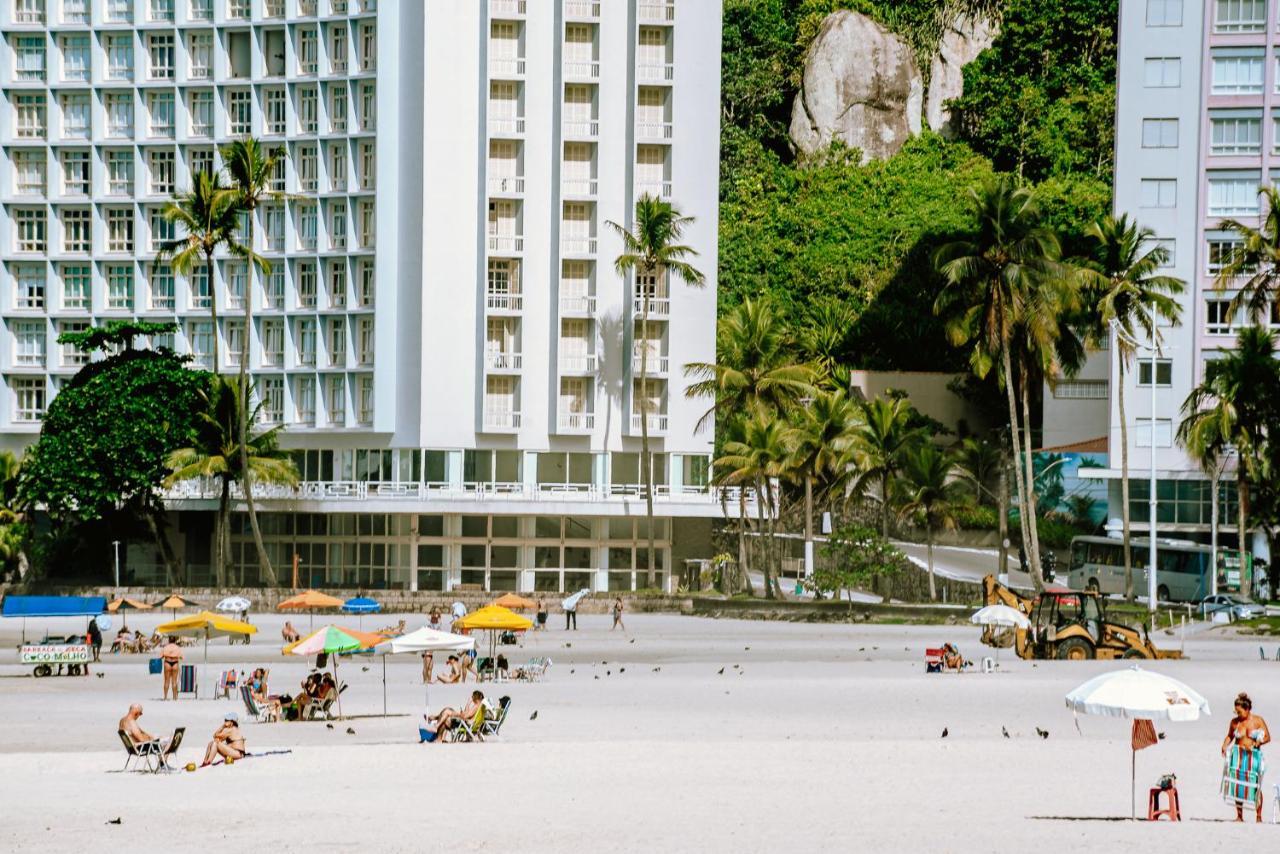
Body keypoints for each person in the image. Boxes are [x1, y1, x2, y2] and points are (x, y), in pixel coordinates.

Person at [1222, 692, 1271, 822]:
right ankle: (1239, 816)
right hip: (1238, 756)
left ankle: (1258, 816)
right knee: (1237, 785)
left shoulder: (1257, 721)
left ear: (1247, 709)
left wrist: (1257, 742)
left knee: (1255, 785)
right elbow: (1230, 736)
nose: (1237, 715)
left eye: (1239, 712)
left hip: (1252, 757)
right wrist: (1224, 745)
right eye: (1236, 712)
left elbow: (1267, 737)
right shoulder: (1234, 722)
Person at [160, 636, 183, 700]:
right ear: (175, 641)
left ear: (169, 640)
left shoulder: (165, 647)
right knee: (174, 681)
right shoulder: (177, 647)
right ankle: (174, 697)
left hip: (167, 662)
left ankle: (165, 697)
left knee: (166, 681)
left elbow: (161, 657)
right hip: (175, 663)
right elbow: (181, 657)